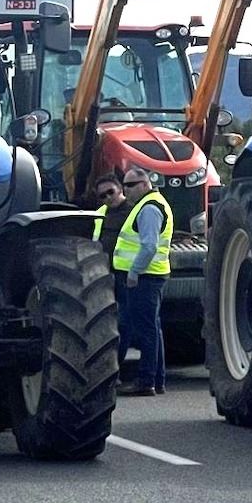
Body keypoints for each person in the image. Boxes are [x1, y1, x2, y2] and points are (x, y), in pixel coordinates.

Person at [112, 165, 172, 397]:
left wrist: (134, 273)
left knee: (146, 330)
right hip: (151, 275)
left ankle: (147, 380)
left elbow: (149, 246)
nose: (126, 190)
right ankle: (156, 379)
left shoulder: (149, 208)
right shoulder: (148, 205)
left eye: (130, 185)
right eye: (124, 185)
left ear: (144, 184)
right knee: (152, 328)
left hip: (145, 278)